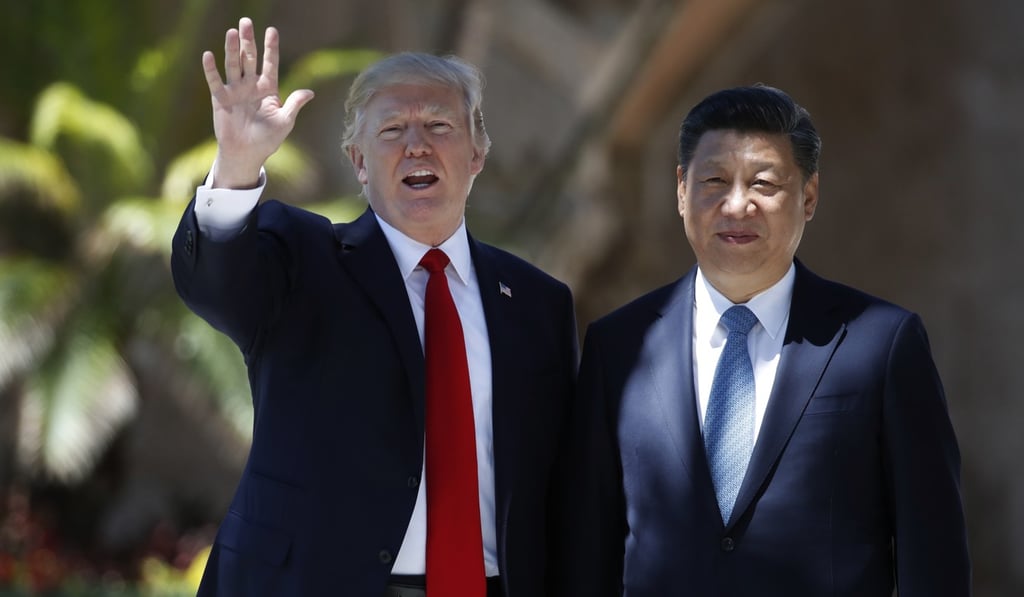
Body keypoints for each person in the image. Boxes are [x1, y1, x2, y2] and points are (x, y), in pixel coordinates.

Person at [171, 17, 578, 597]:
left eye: (439, 125)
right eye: (391, 130)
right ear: (358, 163)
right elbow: (214, 280)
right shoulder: (304, 261)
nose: (417, 143)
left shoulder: (539, 303)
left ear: (477, 155)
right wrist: (236, 164)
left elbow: (559, 484)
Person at [551, 85, 971, 596]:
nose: (737, 205)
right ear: (682, 190)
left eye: (764, 183)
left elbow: (934, 554)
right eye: (714, 180)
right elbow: (585, 554)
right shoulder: (618, 346)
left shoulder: (881, 344)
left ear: (808, 196)